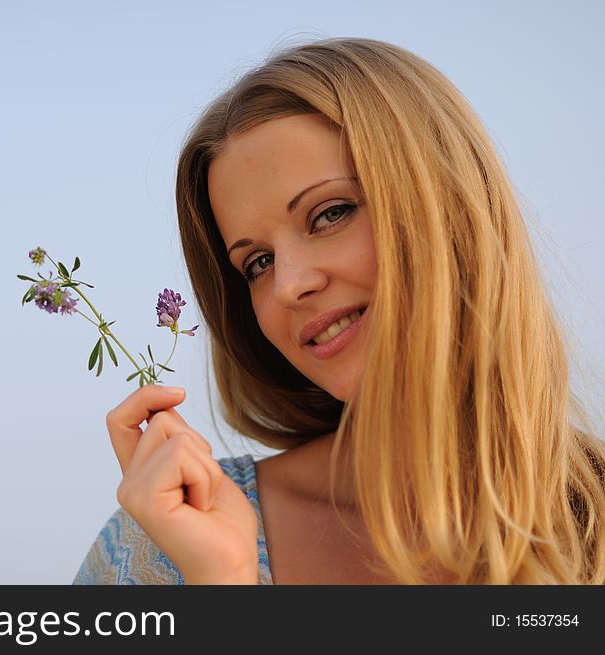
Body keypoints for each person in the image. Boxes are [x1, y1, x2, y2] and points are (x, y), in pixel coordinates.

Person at [72, 37, 605, 585]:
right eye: (257, 262)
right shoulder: (157, 549)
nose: (287, 286)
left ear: (448, 205)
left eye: (329, 214)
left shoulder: (593, 516)